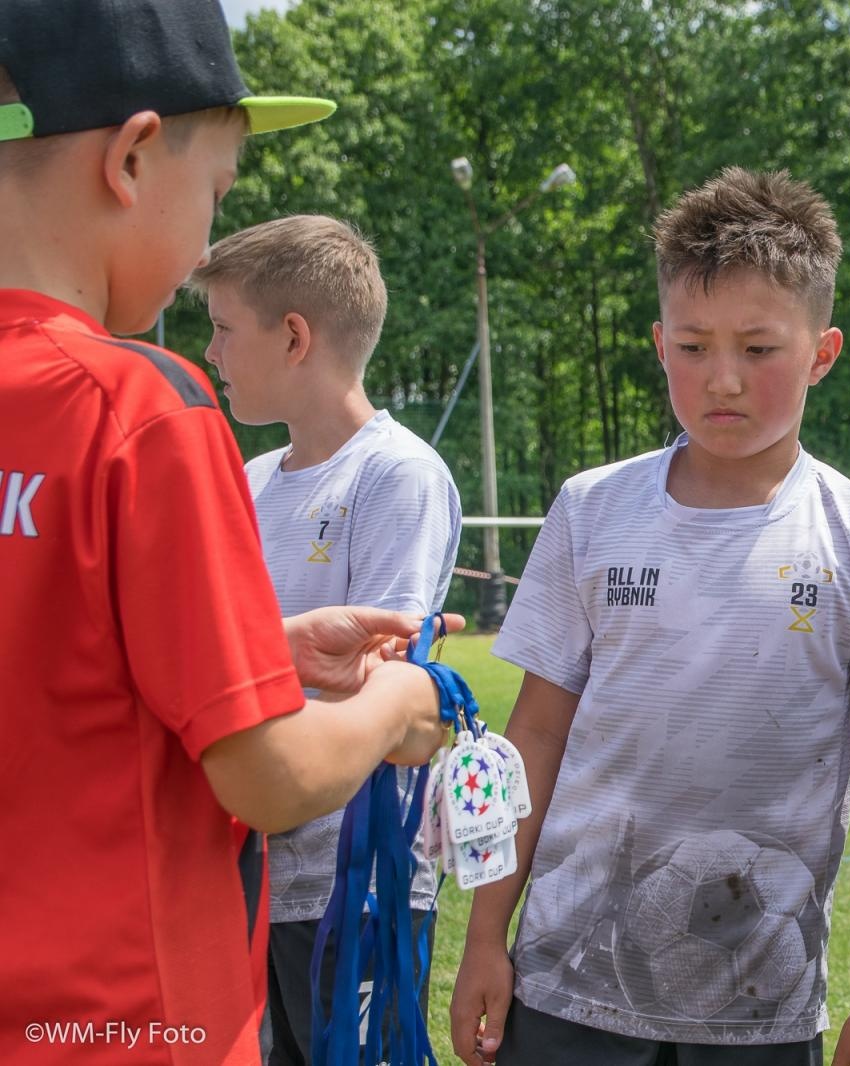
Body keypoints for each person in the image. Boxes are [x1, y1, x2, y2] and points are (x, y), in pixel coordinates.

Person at [0, 2, 451, 1062]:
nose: (207, 235)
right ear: (134, 158)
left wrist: (256, 658)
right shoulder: (141, 403)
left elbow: (58, 667)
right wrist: (401, 699)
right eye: (217, 194)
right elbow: (268, 778)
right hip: (129, 1022)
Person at [450, 167, 850, 1066]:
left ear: (822, 353)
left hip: (761, 1006)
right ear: (658, 343)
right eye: (692, 346)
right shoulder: (592, 509)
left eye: (759, 350)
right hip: (569, 986)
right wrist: (487, 934)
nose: (722, 379)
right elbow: (534, 735)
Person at [189, 214, 463, 1065]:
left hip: (355, 884)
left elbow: (374, 685)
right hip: (248, 873)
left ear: (295, 337)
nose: (211, 353)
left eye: (226, 329)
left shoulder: (398, 474)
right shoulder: (249, 478)